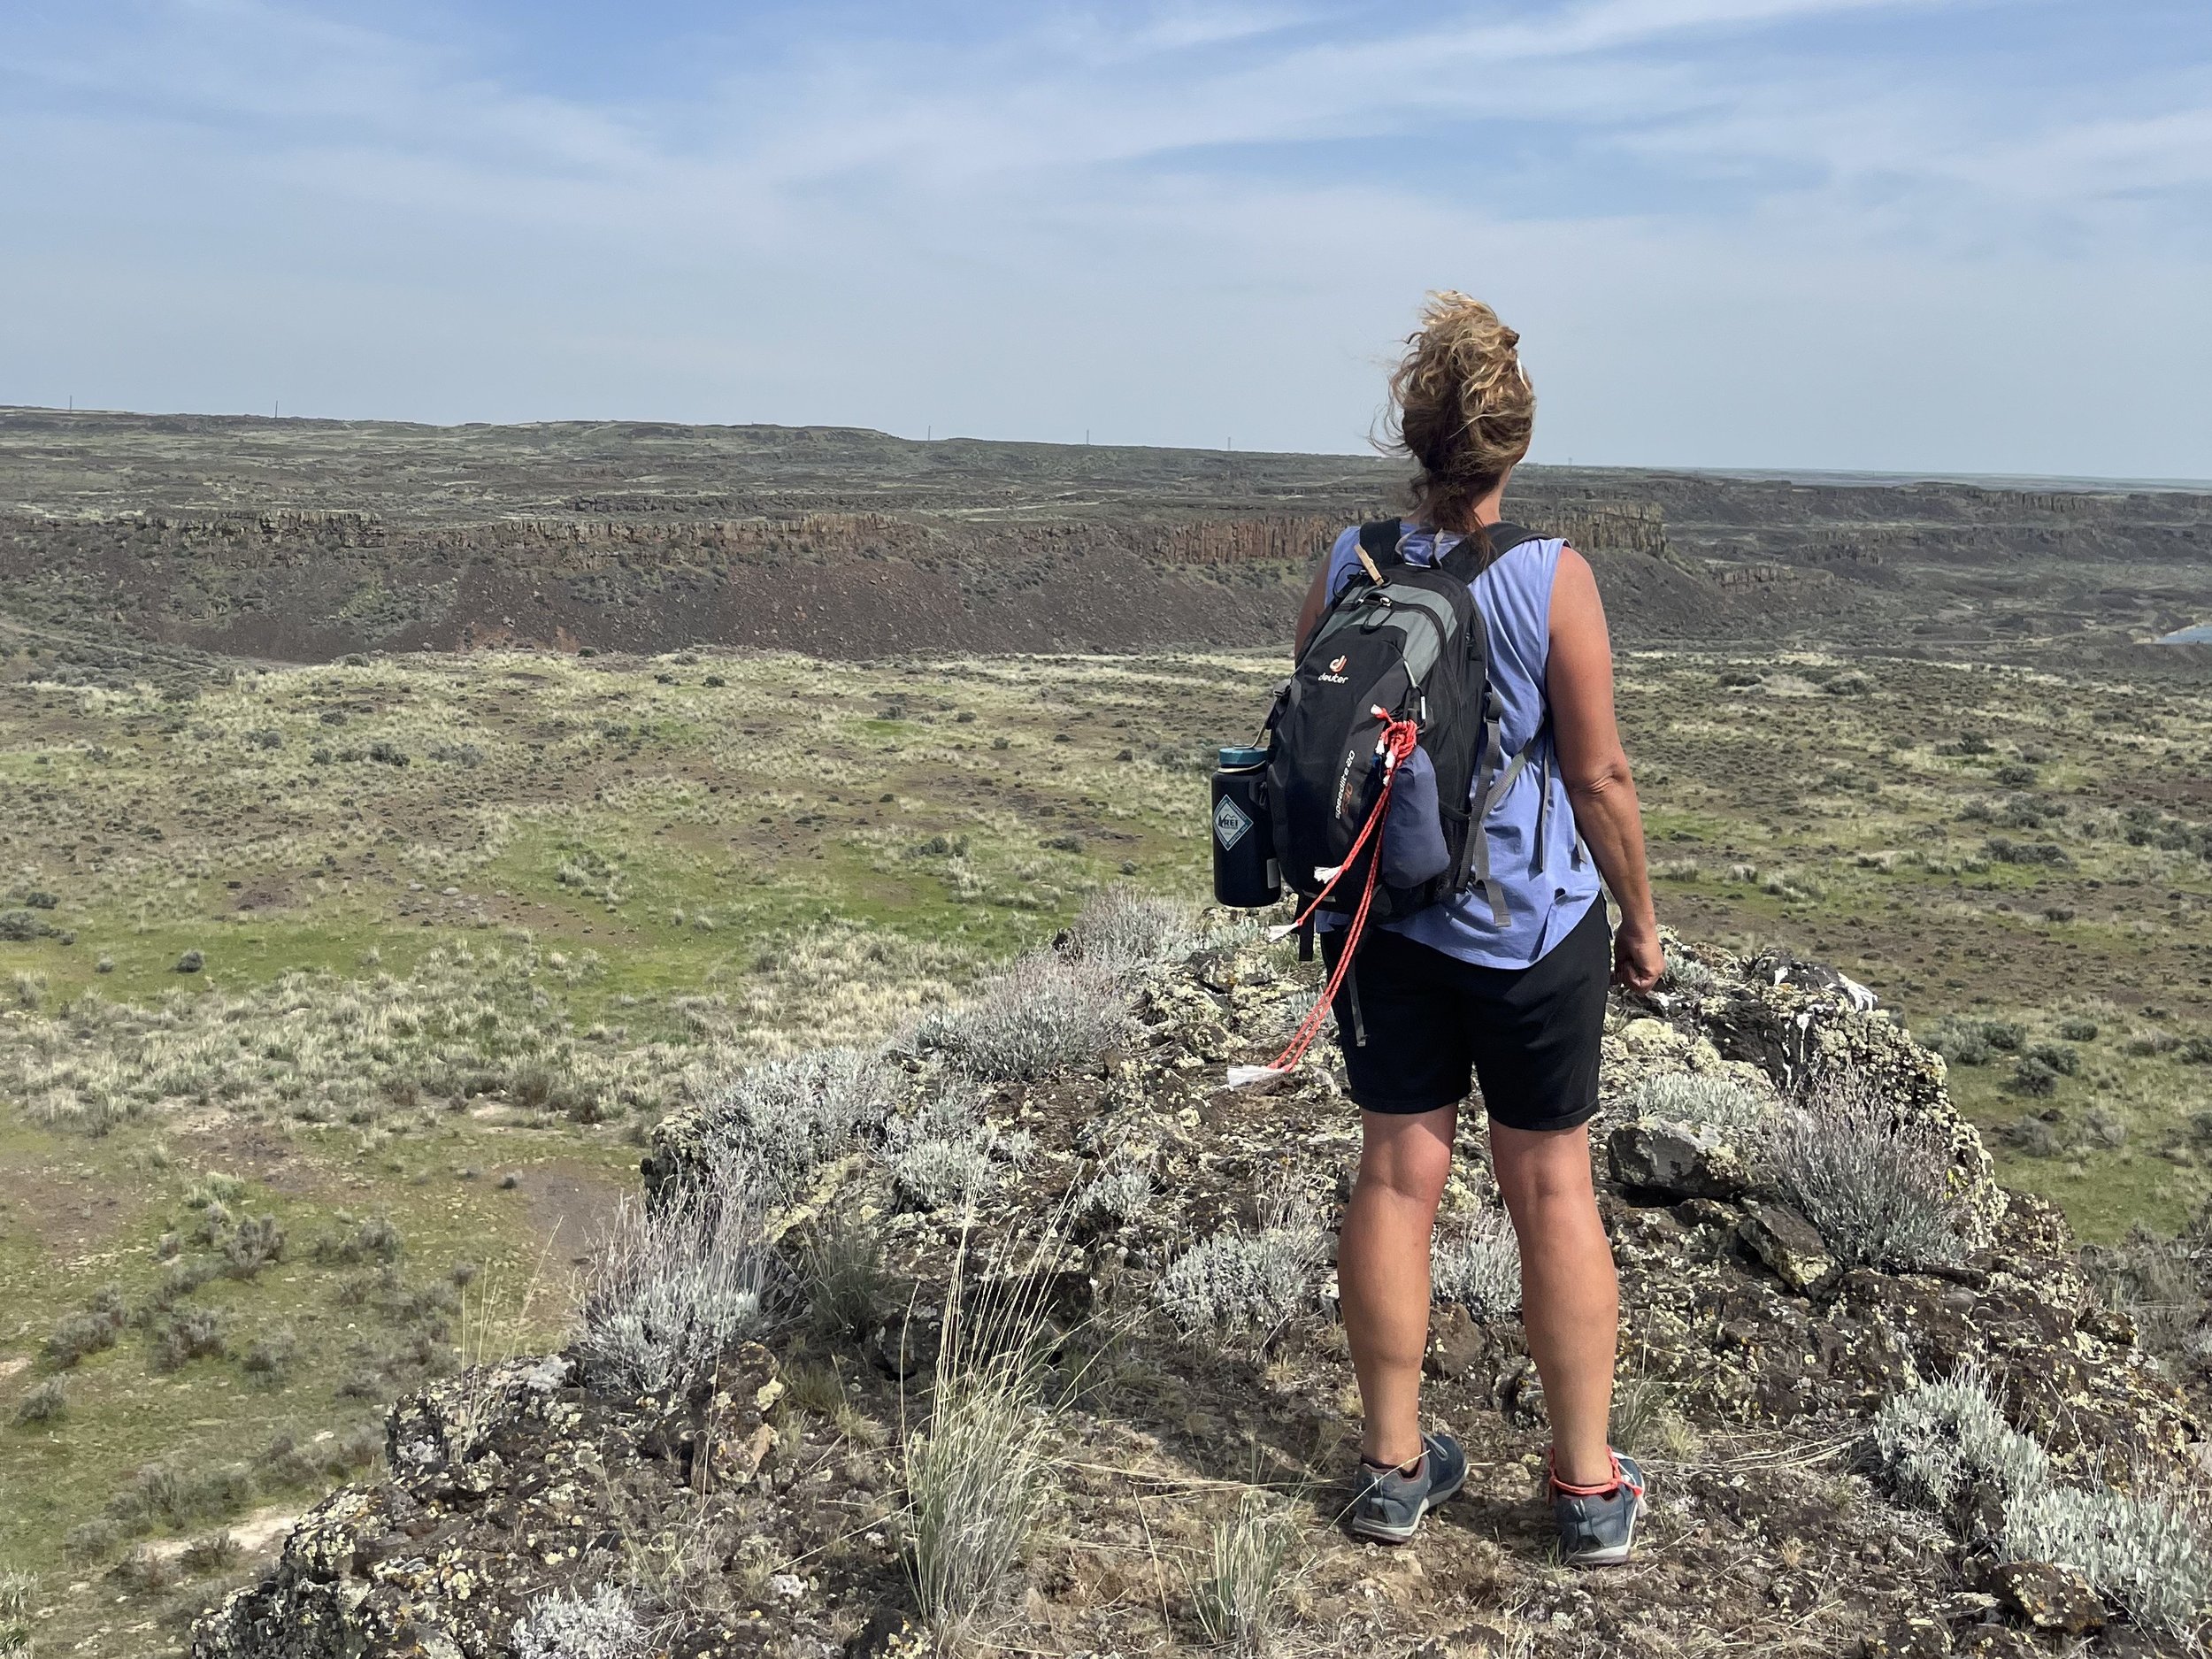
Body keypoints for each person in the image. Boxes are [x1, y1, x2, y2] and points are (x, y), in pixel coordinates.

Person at [1291, 292, 1664, 1563]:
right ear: (1514, 444)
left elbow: (1318, 726)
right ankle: (1587, 1488)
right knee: (1552, 1186)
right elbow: (1599, 776)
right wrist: (1642, 925)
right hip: (1530, 932)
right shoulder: (1552, 576)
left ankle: (1392, 1470)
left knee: (1397, 1178)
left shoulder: (1349, 564)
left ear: (1414, 434)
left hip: (1387, 925)